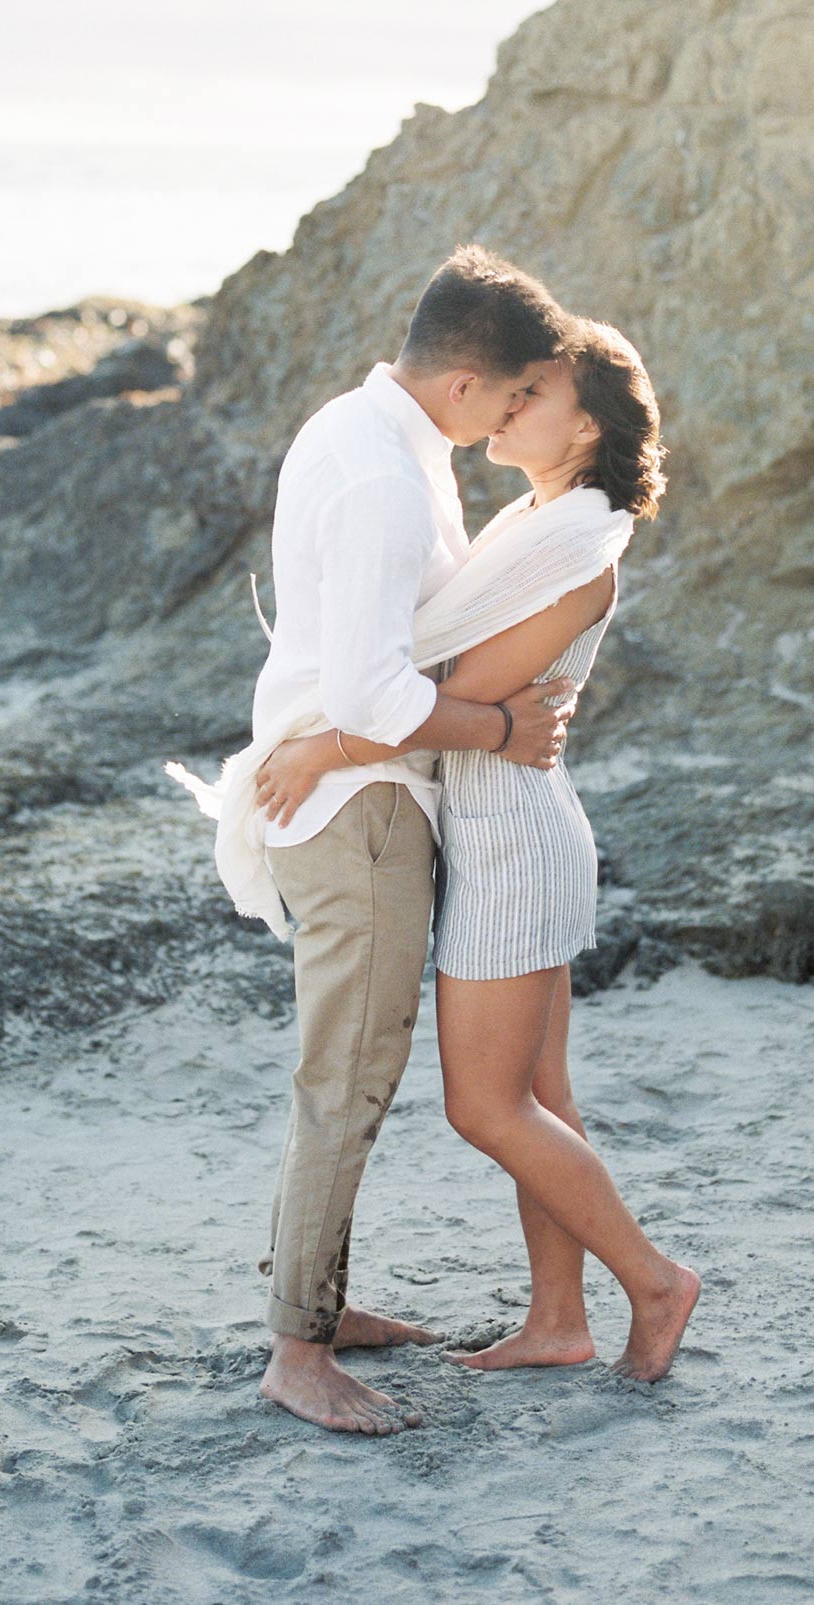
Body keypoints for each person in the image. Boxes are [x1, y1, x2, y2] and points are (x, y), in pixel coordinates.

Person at [171, 245, 582, 1436]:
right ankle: (299, 1350)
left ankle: (322, 1304)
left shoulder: (362, 432)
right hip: (355, 813)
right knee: (346, 1075)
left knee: (349, 1068)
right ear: (465, 385)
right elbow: (370, 698)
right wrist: (502, 724)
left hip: (355, 800)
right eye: (510, 399)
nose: (514, 420)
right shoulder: (387, 483)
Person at [256, 320, 701, 1386]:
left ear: (582, 423)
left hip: (511, 843)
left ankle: (652, 1279)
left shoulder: (577, 554)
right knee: (540, 1091)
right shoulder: (537, 519)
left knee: (485, 1106)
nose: (507, 404)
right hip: (510, 826)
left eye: (532, 393)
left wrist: (323, 744)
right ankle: (559, 1319)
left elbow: (461, 698)